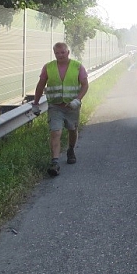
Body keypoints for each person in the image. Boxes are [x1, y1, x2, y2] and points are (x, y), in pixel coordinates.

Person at [32, 42, 89, 177]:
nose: (60, 55)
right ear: (54, 54)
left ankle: (70, 150)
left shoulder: (77, 66)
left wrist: (77, 99)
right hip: (55, 106)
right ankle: (55, 163)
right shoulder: (48, 67)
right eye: (57, 53)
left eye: (62, 52)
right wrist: (35, 103)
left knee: (72, 130)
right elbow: (40, 85)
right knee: (55, 132)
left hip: (71, 107)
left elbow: (85, 85)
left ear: (68, 52)